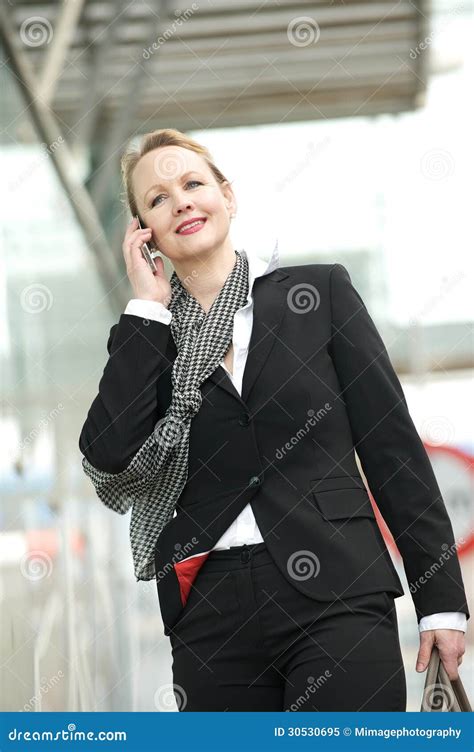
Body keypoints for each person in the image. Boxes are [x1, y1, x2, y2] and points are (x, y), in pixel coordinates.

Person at [79, 128, 469, 712]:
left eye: (192, 183)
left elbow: (391, 450)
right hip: (210, 609)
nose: (180, 200)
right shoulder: (147, 335)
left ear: (227, 198)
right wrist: (146, 309)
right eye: (157, 199)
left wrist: (439, 601)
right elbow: (109, 455)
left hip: (339, 590)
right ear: (143, 234)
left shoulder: (319, 293)